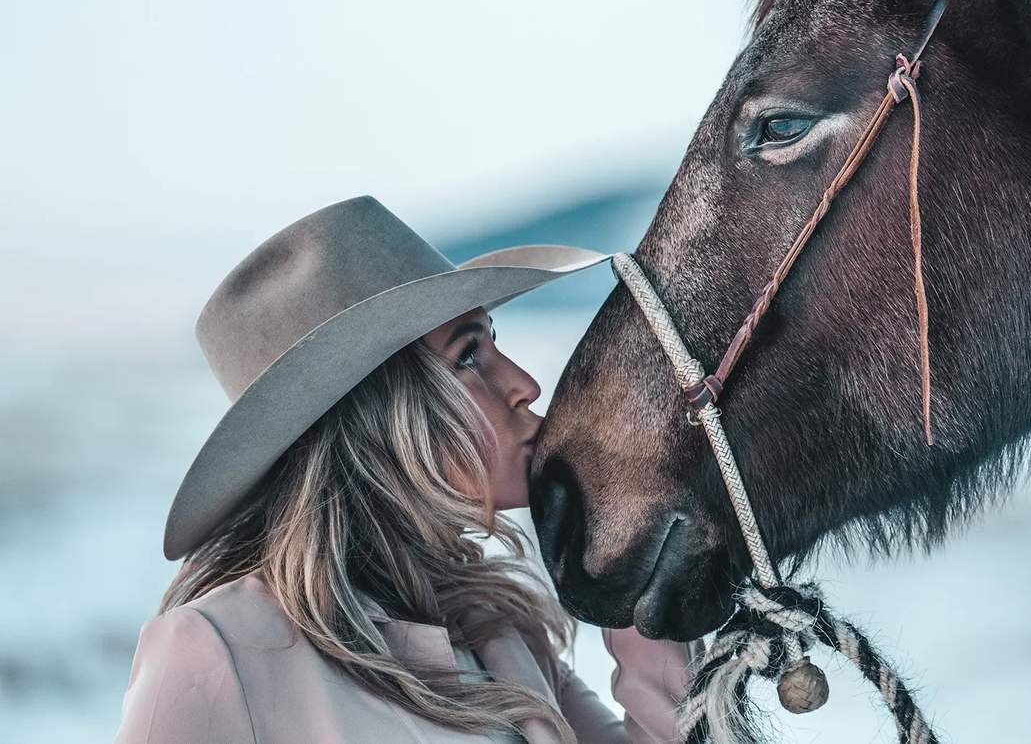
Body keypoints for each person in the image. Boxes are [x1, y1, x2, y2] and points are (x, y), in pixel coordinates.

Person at [115, 196, 696, 743]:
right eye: (468, 356)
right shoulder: (215, 651)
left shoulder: (501, 632)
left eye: (494, 344)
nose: (525, 385)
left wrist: (641, 591)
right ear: (379, 418)